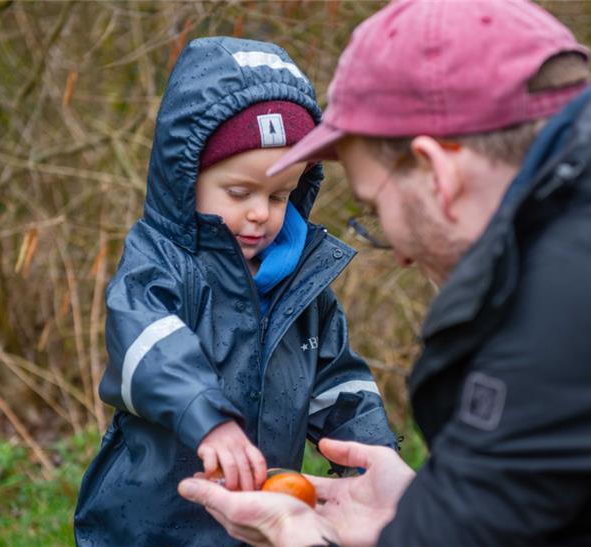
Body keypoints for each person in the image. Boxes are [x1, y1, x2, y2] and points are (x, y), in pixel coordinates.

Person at [178, 1, 591, 545]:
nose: (401, 256)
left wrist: (307, 539)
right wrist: (424, 506)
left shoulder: (568, 321)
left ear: (436, 171)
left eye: (377, 210)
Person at [74, 36, 397, 546]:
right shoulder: (160, 263)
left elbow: (339, 380)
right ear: (188, 179)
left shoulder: (302, 282)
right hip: (151, 522)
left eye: (280, 195)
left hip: (260, 521)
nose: (260, 213)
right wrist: (209, 420)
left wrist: (371, 455)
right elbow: (145, 347)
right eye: (239, 192)